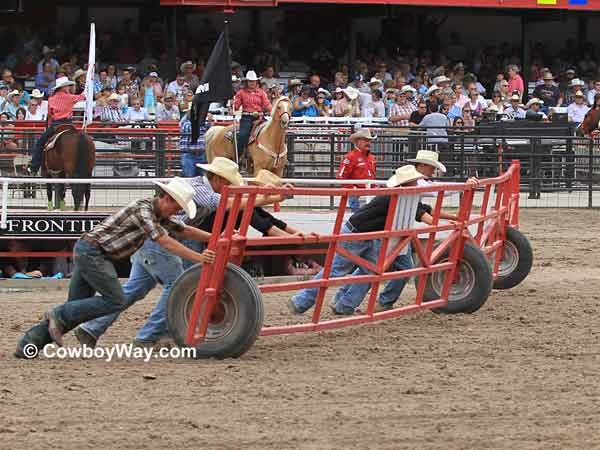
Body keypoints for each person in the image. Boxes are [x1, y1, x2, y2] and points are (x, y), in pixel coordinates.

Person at [73, 161, 287, 348]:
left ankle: (91, 329)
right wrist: (270, 198)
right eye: (228, 183)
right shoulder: (199, 189)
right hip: (159, 241)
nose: (230, 188)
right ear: (219, 180)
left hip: (151, 242)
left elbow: (190, 226)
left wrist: (270, 195)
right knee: (177, 286)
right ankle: (149, 336)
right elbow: (223, 204)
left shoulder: (196, 189)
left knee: (135, 288)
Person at [15, 178, 218, 358]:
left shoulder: (157, 214)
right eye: (176, 208)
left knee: (75, 309)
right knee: (115, 300)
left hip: (91, 251)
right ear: (166, 199)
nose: (177, 212)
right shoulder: (144, 210)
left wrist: (215, 237)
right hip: (93, 253)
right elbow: (165, 241)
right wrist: (200, 257)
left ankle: (28, 344)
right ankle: (56, 315)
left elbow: (184, 230)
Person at [289, 165, 430, 315]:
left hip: (364, 234)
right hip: (357, 234)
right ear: (407, 183)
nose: (416, 184)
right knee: (337, 270)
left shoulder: (398, 196)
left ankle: (343, 305)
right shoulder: (395, 198)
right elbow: (423, 214)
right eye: (414, 181)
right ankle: (302, 301)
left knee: (369, 271)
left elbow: (423, 210)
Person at [30, 77, 85, 174]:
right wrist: (87, 88)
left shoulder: (51, 99)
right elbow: (82, 97)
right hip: (69, 123)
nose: (69, 87)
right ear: (63, 87)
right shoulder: (70, 97)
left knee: (40, 143)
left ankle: (34, 168)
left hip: (56, 124)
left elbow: (50, 115)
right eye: (67, 86)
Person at [232, 70, 272, 158]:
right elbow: (236, 106)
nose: (252, 83)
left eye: (253, 81)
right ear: (247, 82)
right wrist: (233, 104)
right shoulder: (241, 93)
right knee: (243, 135)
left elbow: (267, 103)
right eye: (250, 81)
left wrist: (272, 111)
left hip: (260, 117)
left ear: (256, 81)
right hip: (247, 117)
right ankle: (238, 156)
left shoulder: (261, 92)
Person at [337, 128, 377, 212]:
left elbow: (372, 176)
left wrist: (375, 188)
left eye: (369, 141)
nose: (368, 143)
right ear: (357, 141)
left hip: (370, 193)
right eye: (365, 140)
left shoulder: (371, 158)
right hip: (357, 195)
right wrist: (353, 189)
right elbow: (340, 177)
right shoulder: (350, 157)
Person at [180, 111, 211, 177]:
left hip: (201, 154)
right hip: (189, 155)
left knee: (203, 179)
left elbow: (210, 130)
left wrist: (208, 122)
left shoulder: (203, 125)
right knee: (189, 177)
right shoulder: (186, 124)